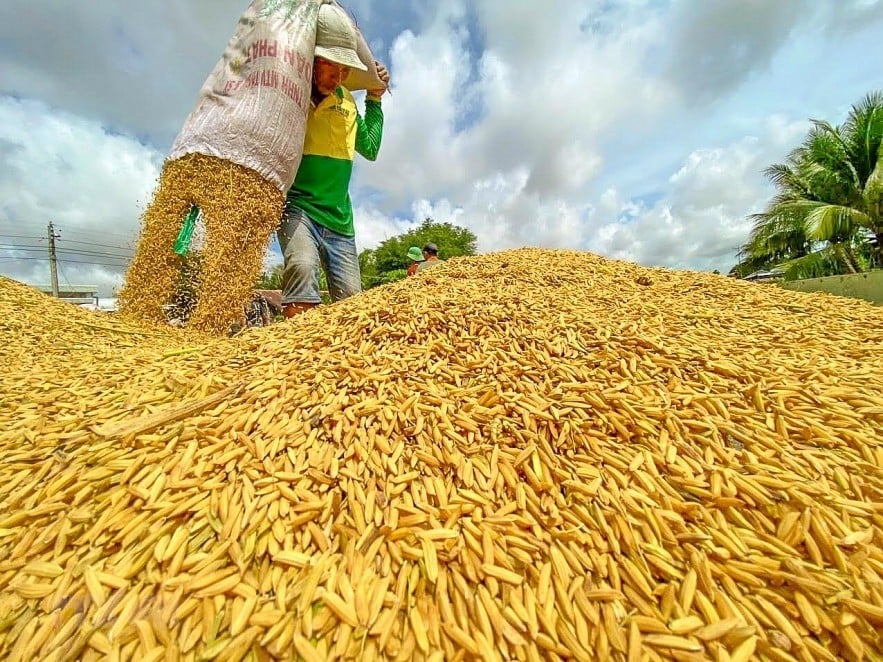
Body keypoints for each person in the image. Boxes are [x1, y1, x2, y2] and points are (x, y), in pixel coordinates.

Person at [277, 4, 390, 317]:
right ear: (313, 59)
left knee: (353, 300)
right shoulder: (290, 93)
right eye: (332, 65)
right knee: (301, 265)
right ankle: (295, 351)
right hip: (299, 209)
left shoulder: (348, 104)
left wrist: (375, 100)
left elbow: (370, 148)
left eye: (345, 70)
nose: (338, 76)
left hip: (340, 220)